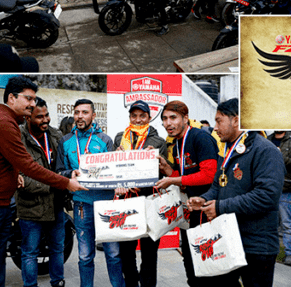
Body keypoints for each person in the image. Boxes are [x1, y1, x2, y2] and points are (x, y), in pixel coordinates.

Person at [0, 76, 85, 287]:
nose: (32, 104)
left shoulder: (9, 122)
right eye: (28, 98)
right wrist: (65, 182)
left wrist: (12, 173)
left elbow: (6, 160)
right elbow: (28, 165)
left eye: (34, 99)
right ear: (11, 98)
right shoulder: (3, 123)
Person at [187, 98, 285, 287]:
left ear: (236, 121)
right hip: (229, 241)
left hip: (257, 247)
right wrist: (204, 199)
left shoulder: (266, 151)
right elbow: (218, 186)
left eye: (219, 121)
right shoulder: (229, 150)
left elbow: (266, 196)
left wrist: (220, 207)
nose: (215, 127)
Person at [55, 99, 124, 287]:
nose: (80, 116)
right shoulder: (66, 141)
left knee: (113, 254)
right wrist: (71, 173)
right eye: (77, 112)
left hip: (107, 204)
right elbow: (59, 171)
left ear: (93, 116)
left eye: (85, 112)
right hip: (81, 205)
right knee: (85, 256)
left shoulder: (105, 140)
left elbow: (115, 172)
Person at [154, 101, 218, 287]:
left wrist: (173, 180)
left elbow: (208, 175)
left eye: (173, 117)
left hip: (207, 212)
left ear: (185, 118)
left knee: (206, 266)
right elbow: (184, 177)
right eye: (164, 119)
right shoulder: (177, 143)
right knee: (190, 262)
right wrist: (167, 169)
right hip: (190, 211)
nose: (168, 123)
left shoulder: (200, 137)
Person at [112, 101, 168, 287]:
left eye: (142, 116)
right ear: (129, 118)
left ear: (149, 117)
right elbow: (116, 170)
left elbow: (163, 174)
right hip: (126, 202)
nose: (137, 119)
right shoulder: (120, 138)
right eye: (133, 116)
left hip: (149, 202)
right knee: (126, 252)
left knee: (149, 253)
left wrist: (153, 160)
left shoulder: (159, 142)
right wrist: (117, 156)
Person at [16, 97, 68, 287]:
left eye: (47, 115)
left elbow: (64, 167)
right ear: (28, 117)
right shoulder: (18, 137)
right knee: (30, 252)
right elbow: (20, 179)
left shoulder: (55, 135)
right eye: (40, 117)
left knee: (57, 248)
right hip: (31, 207)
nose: (46, 120)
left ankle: (58, 282)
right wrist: (54, 184)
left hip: (55, 205)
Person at [270, 131, 291, 266]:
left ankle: (290, 254)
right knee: (269, 222)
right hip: (267, 188)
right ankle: (270, 252)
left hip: (285, 189)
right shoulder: (267, 139)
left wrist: (280, 156)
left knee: (287, 222)